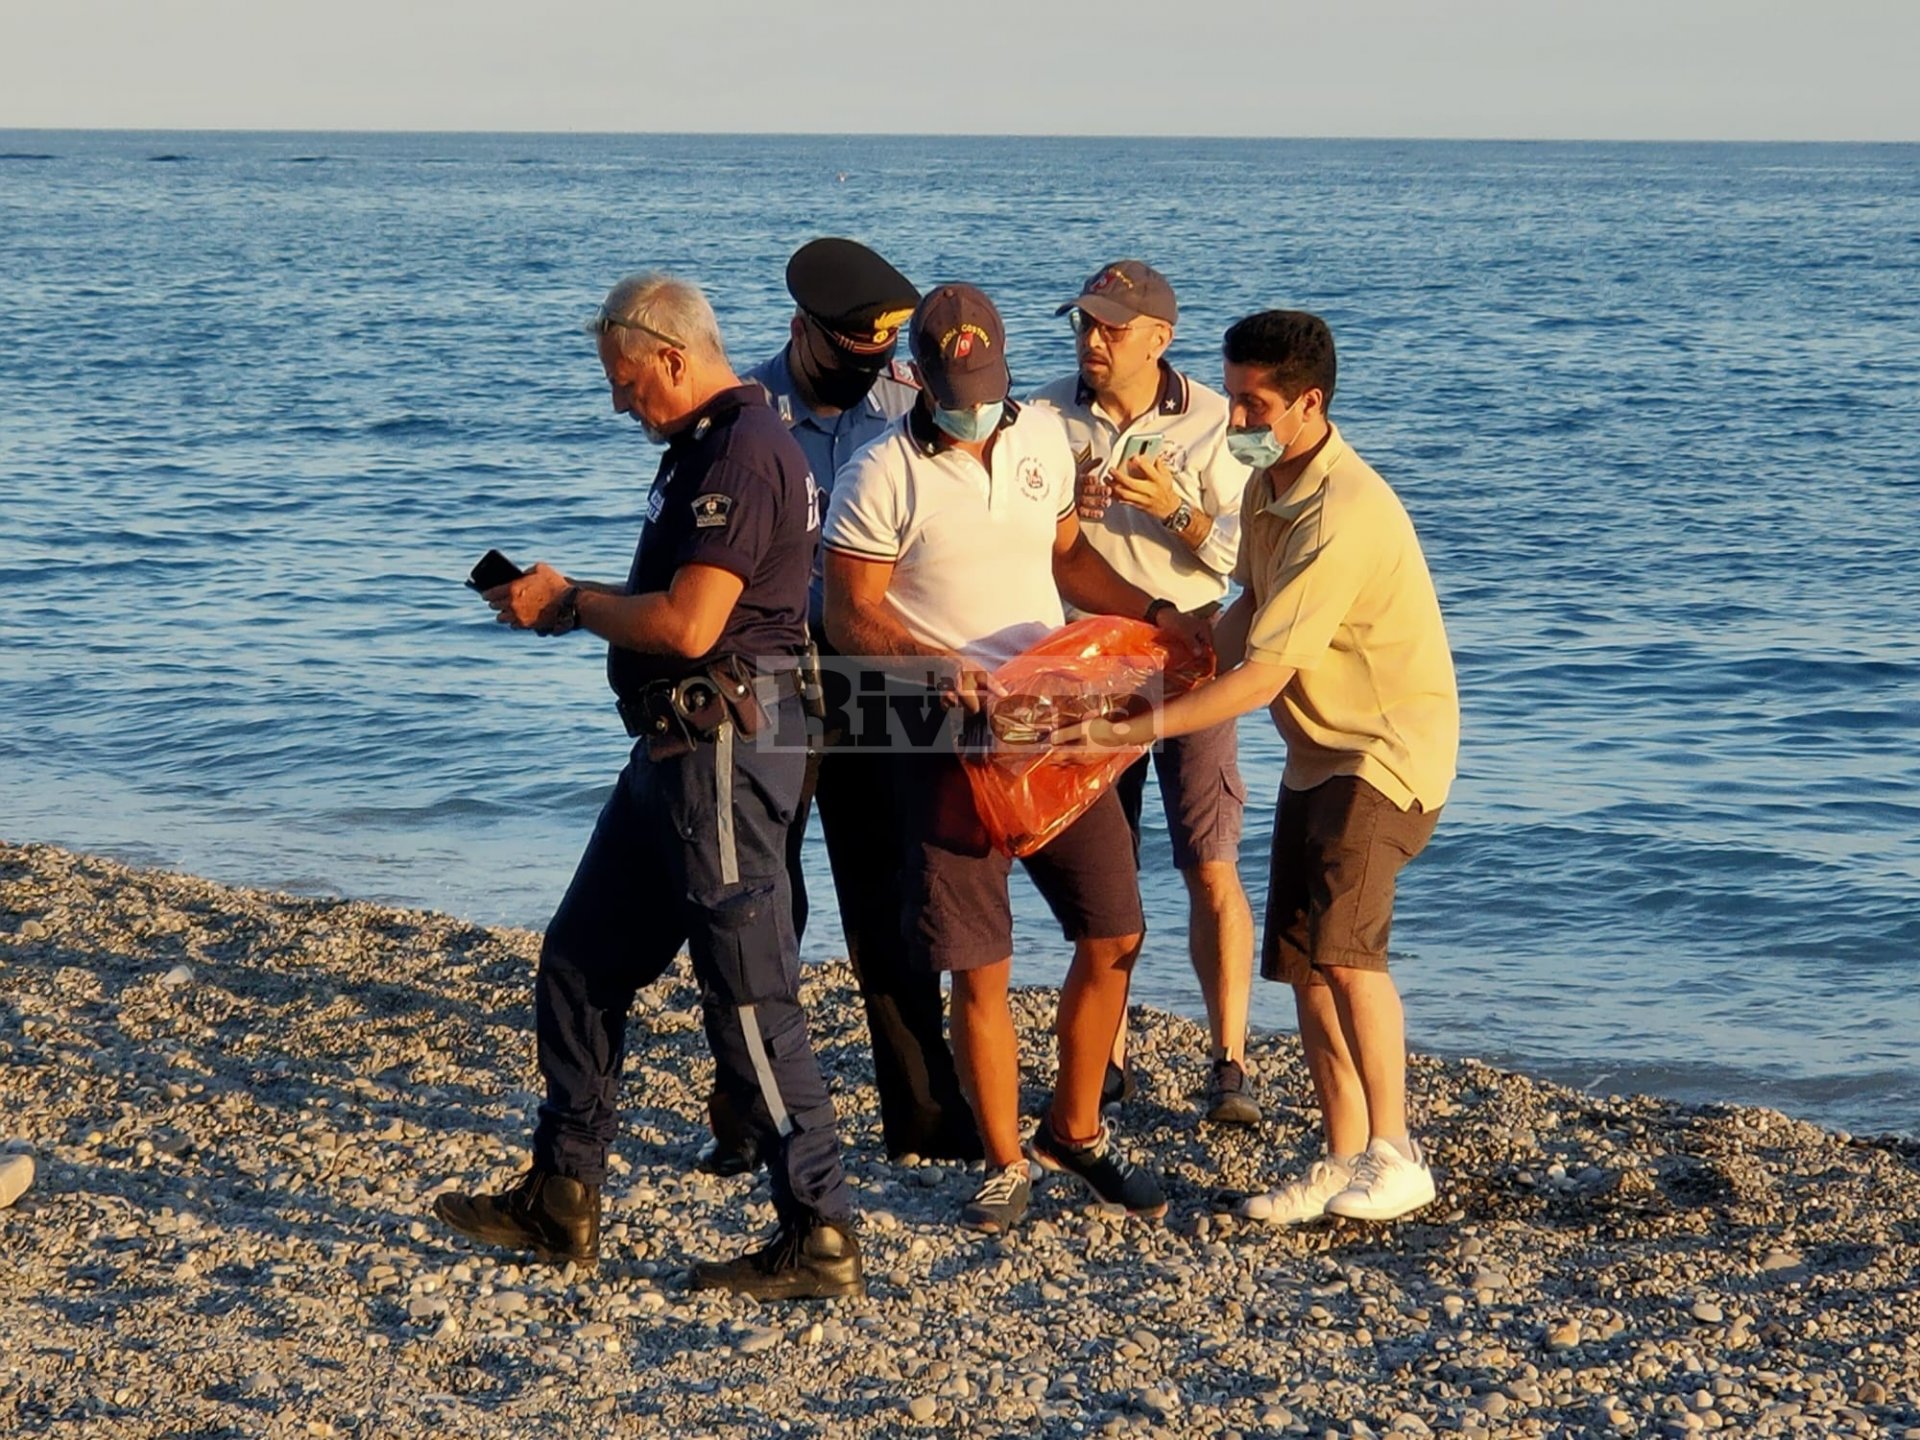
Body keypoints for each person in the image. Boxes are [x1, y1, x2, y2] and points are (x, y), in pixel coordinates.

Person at [432, 272, 864, 1298]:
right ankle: (562, 1195)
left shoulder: (744, 453)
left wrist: (576, 604)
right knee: (579, 963)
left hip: (719, 753)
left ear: (672, 355)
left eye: (628, 382)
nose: (621, 402)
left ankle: (820, 1232)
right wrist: (562, 598)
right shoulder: (708, 445)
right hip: (671, 756)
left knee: (751, 1000)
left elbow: (689, 627)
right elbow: (674, 601)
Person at [1054, 310, 1459, 1225]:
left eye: (1255, 403)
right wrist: (1166, 659)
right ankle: (1344, 1156)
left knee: (1350, 958)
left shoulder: (1343, 511)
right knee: (1306, 967)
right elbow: (1245, 617)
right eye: (1232, 397)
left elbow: (1265, 675)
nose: (1235, 418)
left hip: (1384, 750)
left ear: (1309, 402)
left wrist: (1137, 730)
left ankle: (1397, 1153)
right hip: (1320, 751)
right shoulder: (1271, 484)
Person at [821, 282, 1210, 1234]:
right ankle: (1003, 1162)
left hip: (1052, 723)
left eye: (990, 383)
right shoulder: (878, 472)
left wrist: (1148, 614)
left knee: (1115, 931)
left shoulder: (1040, 435)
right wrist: (934, 663)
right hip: (942, 738)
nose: (978, 403)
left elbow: (1067, 557)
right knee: (979, 964)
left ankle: (1075, 1132)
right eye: (960, 388)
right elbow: (847, 614)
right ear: (920, 374)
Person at [731, 237, 980, 1168]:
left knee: (891, 902)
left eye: (880, 354)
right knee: (761, 902)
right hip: (774, 671)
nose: (867, 368)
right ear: (803, 331)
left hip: (877, 677)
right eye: (849, 351)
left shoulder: (909, 408)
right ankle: (751, 1117)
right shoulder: (744, 416)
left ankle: (922, 1116)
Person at [1027, 260, 1258, 1126]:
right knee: (1103, 872)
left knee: (1209, 861)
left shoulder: (1217, 422)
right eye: (1084, 324)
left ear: (1161, 339)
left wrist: (1175, 510)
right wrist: (1071, 517)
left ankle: (1229, 1062)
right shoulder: (1045, 414)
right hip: (1085, 662)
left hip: (1193, 650)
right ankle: (1108, 1060)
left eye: (1111, 328)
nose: (1091, 341)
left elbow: (1244, 558)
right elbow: (1026, 536)